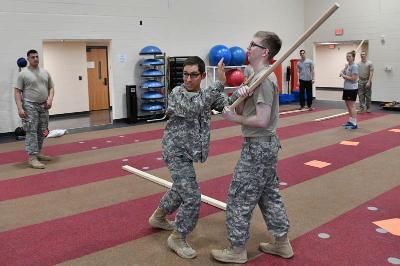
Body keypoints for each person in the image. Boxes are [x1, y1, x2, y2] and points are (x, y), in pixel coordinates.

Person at [211, 31, 293, 264]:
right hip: (262, 147)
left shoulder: (265, 79)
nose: (248, 48)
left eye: (253, 45)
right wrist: (242, 97)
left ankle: (237, 249)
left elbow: (262, 120)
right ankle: (281, 243)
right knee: (268, 196)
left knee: (238, 197)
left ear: (265, 52)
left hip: (258, 147)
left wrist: (232, 119)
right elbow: (240, 109)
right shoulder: (254, 77)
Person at [148, 56, 227, 259]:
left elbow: (226, 105)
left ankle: (158, 217)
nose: (188, 79)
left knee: (180, 188)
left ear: (202, 76)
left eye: (193, 75)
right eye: (185, 74)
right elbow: (195, 108)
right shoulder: (177, 93)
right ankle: (178, 237)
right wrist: (218, 83)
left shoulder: (205, 94)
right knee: (191, 196)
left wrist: (245, 88)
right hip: (175, 151)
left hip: (189, 152)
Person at [14, 49, 54, 169]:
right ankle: (32, 158)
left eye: (37, 56)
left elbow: (51, 88)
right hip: (30, 105)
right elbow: (17, 92)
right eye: (32, 57)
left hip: (43, 105)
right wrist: (20, 108)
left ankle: (38, 153)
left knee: (42, 130)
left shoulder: (45, 72)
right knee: (31, 131)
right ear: (28, 59)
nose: (35, 59)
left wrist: (50, 99)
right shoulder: (23, 74)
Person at [340, 50, 359, 130]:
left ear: (353, 58)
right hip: (347, 88)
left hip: (352, 88)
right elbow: (343, 71)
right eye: (347, 56)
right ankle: (350, 121)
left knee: (352, 106)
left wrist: (344, 76)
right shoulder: (348, 65)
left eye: (349, 56)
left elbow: (354, 79)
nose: (347, 58)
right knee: (348, 105)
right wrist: (342, 71)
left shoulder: (354, 66)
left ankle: (354, 123)